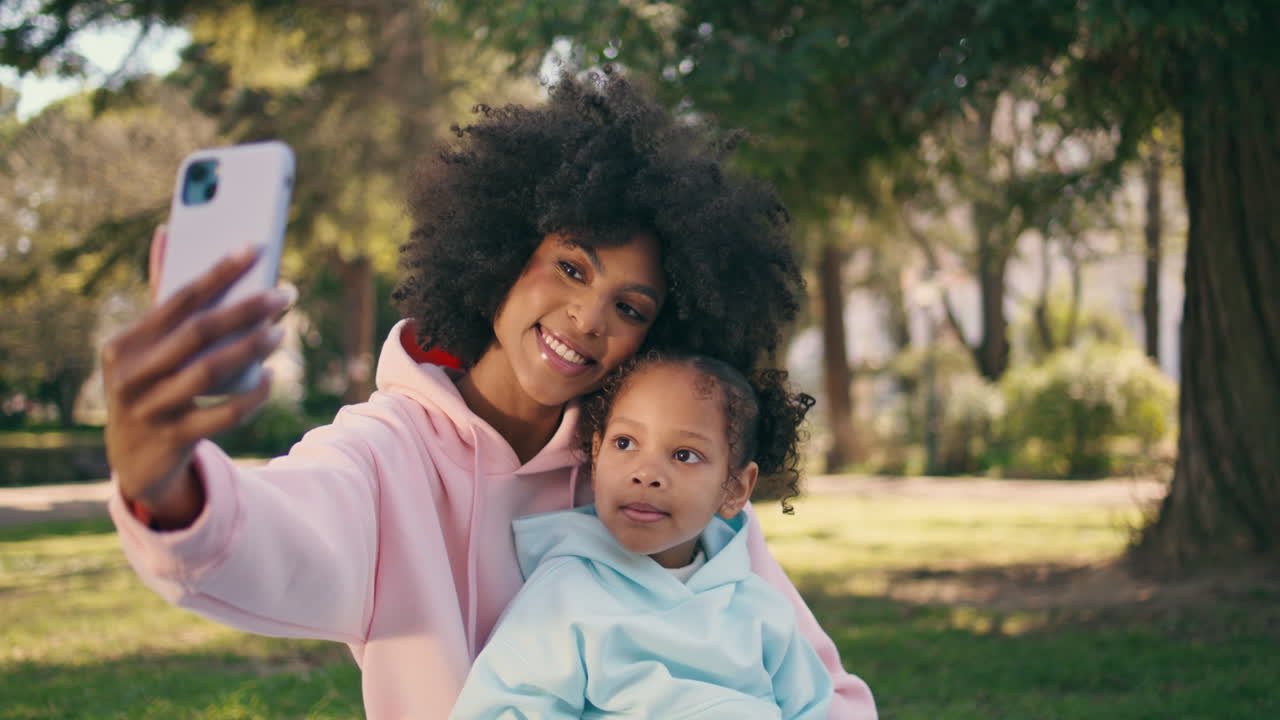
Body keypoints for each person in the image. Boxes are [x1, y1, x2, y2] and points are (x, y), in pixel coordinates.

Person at [101, 71, 876, 719]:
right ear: (503, 253)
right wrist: (161, 481)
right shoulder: (384, 453)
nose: (587, 316)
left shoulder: (662, 469)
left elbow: (822, 688)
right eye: (570, 268)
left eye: (630, 307)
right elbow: (276, 536)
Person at [450, 351, 831, 719]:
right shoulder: (566, 595)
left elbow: (809, 708)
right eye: (625, 443)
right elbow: (511, 707)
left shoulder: (759, 608)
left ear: (734, 488)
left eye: (684, 455)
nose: (645, 472)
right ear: (596, 458)